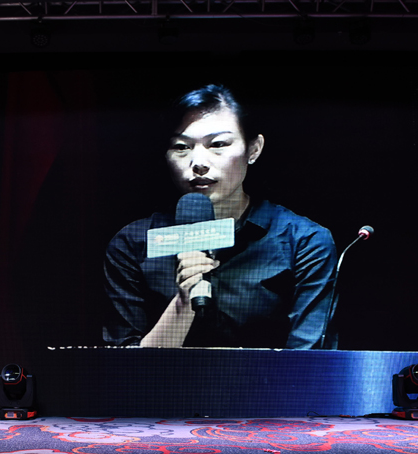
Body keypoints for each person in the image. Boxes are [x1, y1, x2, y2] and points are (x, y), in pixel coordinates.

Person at [103, 84, 336, 349]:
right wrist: (183, 301)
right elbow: (123, 368)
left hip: (272, 378)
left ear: (253, 149)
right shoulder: (133, 244)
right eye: (181, 147)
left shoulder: (304, 242)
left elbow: (311, 362)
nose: (198, 163)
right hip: (162, 379)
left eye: (218, 144)